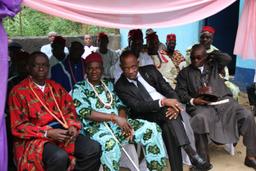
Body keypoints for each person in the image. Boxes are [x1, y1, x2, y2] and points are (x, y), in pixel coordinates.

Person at [115, 50, 212, 171]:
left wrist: (175, 105)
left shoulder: (150, 71)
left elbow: (169, 90)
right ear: (121, 67)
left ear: (138, 63)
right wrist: (163, 102)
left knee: (169, 127)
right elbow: (137, 106)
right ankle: (192, 154)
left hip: (167, 112)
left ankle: (181, 165)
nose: (131, 71)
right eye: (126, 68)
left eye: (133, 66)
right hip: (145, 116)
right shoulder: (120, 85)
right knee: (168, 114)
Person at [72, 52, 167, 171]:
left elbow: (121, 105)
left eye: (97, 68)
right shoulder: (79, 87)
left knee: (152, 128)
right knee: (110, 144)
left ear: (102, 69)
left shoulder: (109, 84)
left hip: (118, 125)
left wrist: (123, 120)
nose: (94, 71)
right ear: (86, 70)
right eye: (90, 68)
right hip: (96, 129)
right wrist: (115, 118)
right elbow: (85, 112)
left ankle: (155, 168)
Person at [8, 52, 101, 171]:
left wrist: (72, 126)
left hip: (63, 133)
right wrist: (47, 133)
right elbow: (18, 126)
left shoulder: (56, 87)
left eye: (45, 65)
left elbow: (69, 111)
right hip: (36, 138)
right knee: (59, 157)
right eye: (37, 65)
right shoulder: (18, 91)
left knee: (93, 148)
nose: (41, 68)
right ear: (29, 68)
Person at [175, 44, 256, 170]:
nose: (195, 61)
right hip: (202, 105)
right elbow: (180, 93)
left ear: (205, 57)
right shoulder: (184, 73)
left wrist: (213, 55)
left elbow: (227, 59)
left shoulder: (213, 66)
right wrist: (193, 100)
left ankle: (250, 156)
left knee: (247, 115)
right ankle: (204, 161)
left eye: (199, 58)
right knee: (200, 119)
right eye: (193, 58)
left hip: (224, 102)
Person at [186, 26, 240, 100]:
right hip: (198, 79)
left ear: (212, 39)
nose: (205, 39)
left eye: (208, 38)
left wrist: (224, 78)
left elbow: (224, 67)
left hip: (215, 79)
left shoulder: (216, 52)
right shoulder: (192, 50)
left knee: (234, 90)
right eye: (202, 37)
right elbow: (191, 66)